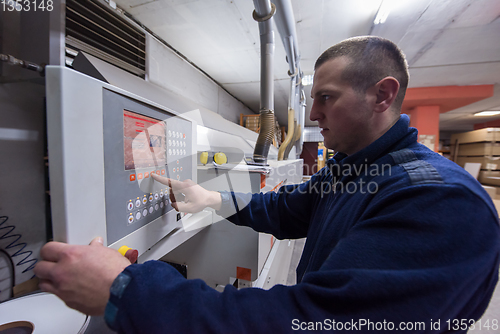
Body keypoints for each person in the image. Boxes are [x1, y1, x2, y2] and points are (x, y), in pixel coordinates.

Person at [34, 36, 500, 333]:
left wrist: (126, 289)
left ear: (383, 94)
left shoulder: (437, 200)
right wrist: (212, 198)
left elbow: (310, 322)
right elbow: (292, 208)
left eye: (326, 98)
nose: (313, 116)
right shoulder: (359, 167)